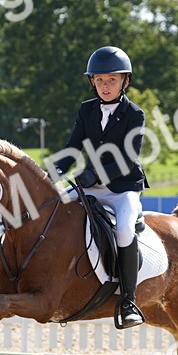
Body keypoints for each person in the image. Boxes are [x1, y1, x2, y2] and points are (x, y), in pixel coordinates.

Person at [52, 45, 149, 328]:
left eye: (112, 80)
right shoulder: (87, 110)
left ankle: (128, 300)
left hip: (123, 188)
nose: (105, 86)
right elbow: (72, 147)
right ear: (92, 82)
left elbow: (129, 158)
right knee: (55, 211)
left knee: (123, 229)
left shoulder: (135, 114)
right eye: (100, 80)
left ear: (124, 81)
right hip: (90, 185)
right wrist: (52, 173)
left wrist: (93, 177)